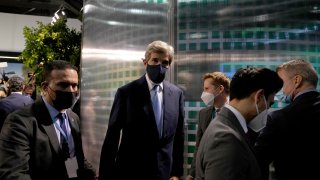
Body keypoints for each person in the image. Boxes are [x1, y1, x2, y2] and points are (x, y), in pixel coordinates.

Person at [98, 40, 185, 180]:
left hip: (164, 172)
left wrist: (176, 173)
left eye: (165, 62)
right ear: (145, 62)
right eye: (155, 60)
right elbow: (112, 136)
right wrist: (106, 174)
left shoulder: (177, 94)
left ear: (169, 65)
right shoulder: (126, 93)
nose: (160, 66)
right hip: (131, 171)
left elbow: (178, 136)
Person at [0, 60, 96, 180]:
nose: (71, 90)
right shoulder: (20, 121)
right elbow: (13, 174)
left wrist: (90, 173)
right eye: (63, 85)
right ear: (45, 87)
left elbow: (73, 155)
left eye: (74, 85)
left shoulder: (73, 118)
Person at [195, 67, 283, 180]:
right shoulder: (226, 138)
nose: (267, 110)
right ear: (259, 96)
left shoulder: (228, 125)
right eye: (269, 104)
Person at [254, 59, 320, 180]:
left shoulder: (279, 118)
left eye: (280, 84)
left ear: (296, 80)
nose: (278, 91)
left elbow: (257, 161)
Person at [186, 72, 230, 180]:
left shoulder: (234, 112)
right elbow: (199, 146)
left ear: (220, 89)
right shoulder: (203, 114)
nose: (203, 93)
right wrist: (192, 173)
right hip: (205, 172)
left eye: (206, 89)